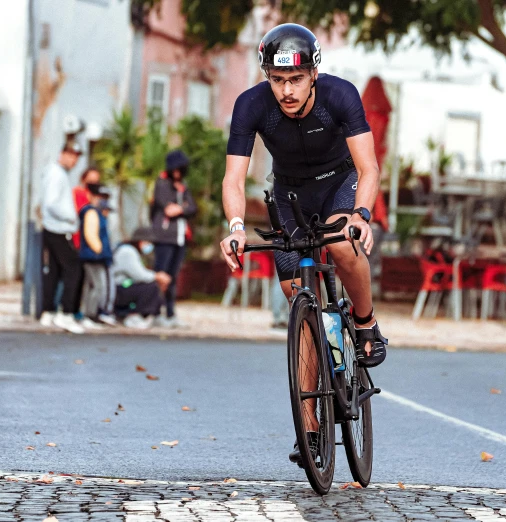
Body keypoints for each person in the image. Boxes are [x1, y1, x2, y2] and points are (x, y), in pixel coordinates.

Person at [219, 24, 388, 464]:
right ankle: (311, 433)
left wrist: (361, 215)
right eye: (278, 81)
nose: (287, 90)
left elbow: (368, 169)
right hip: (290, 196)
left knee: (341, 243)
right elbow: (233, 178)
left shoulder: (340, 96)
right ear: (267, 77)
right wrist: (236, 226)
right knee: (299, 298)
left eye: (295, 80)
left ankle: (366, 322)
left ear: (313, 73)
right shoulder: (252, 106)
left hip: (340, 186)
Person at [39, 139, 85, 335]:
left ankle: (48, 311)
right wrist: (71, 217)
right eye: (72, 156)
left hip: (53, 227)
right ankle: (66, 313)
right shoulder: (57, 174)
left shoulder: (56, 173)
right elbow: (50, 203)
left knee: (55, 271)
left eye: (76, 157)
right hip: (58, 228)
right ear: (63, 154)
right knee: (73, 269)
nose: (74, 161)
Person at [150, 150, 197, 328]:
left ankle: (170, 313)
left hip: (180, 238)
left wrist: (182, 208)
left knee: (173, 277)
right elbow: (167, 208)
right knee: (161, 275)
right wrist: (181, 207)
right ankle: (154, 311)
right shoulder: (161, 183)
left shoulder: (183, 186)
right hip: (164, 237)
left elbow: (192, 207)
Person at [112, 227, 171, 329]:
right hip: (118, 289)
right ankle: (135, 315)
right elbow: (139, 275)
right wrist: (158, 276)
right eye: (148, 242)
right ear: (140, 241)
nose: (149, 246)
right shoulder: (127, 251)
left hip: (124, 286)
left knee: (153, 285)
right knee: (150, 287)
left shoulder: (132, 251)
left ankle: (155, 315)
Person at [79, 183, 113, 327]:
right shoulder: (91, 212)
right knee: (97, 286)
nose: (102, 200)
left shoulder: (100, 213)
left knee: (93, 286)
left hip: (97, 256)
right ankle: (90, 314)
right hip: (93, 256)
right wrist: (99, 250)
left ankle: (91, 314)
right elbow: (90, 234)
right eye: (100, 196)